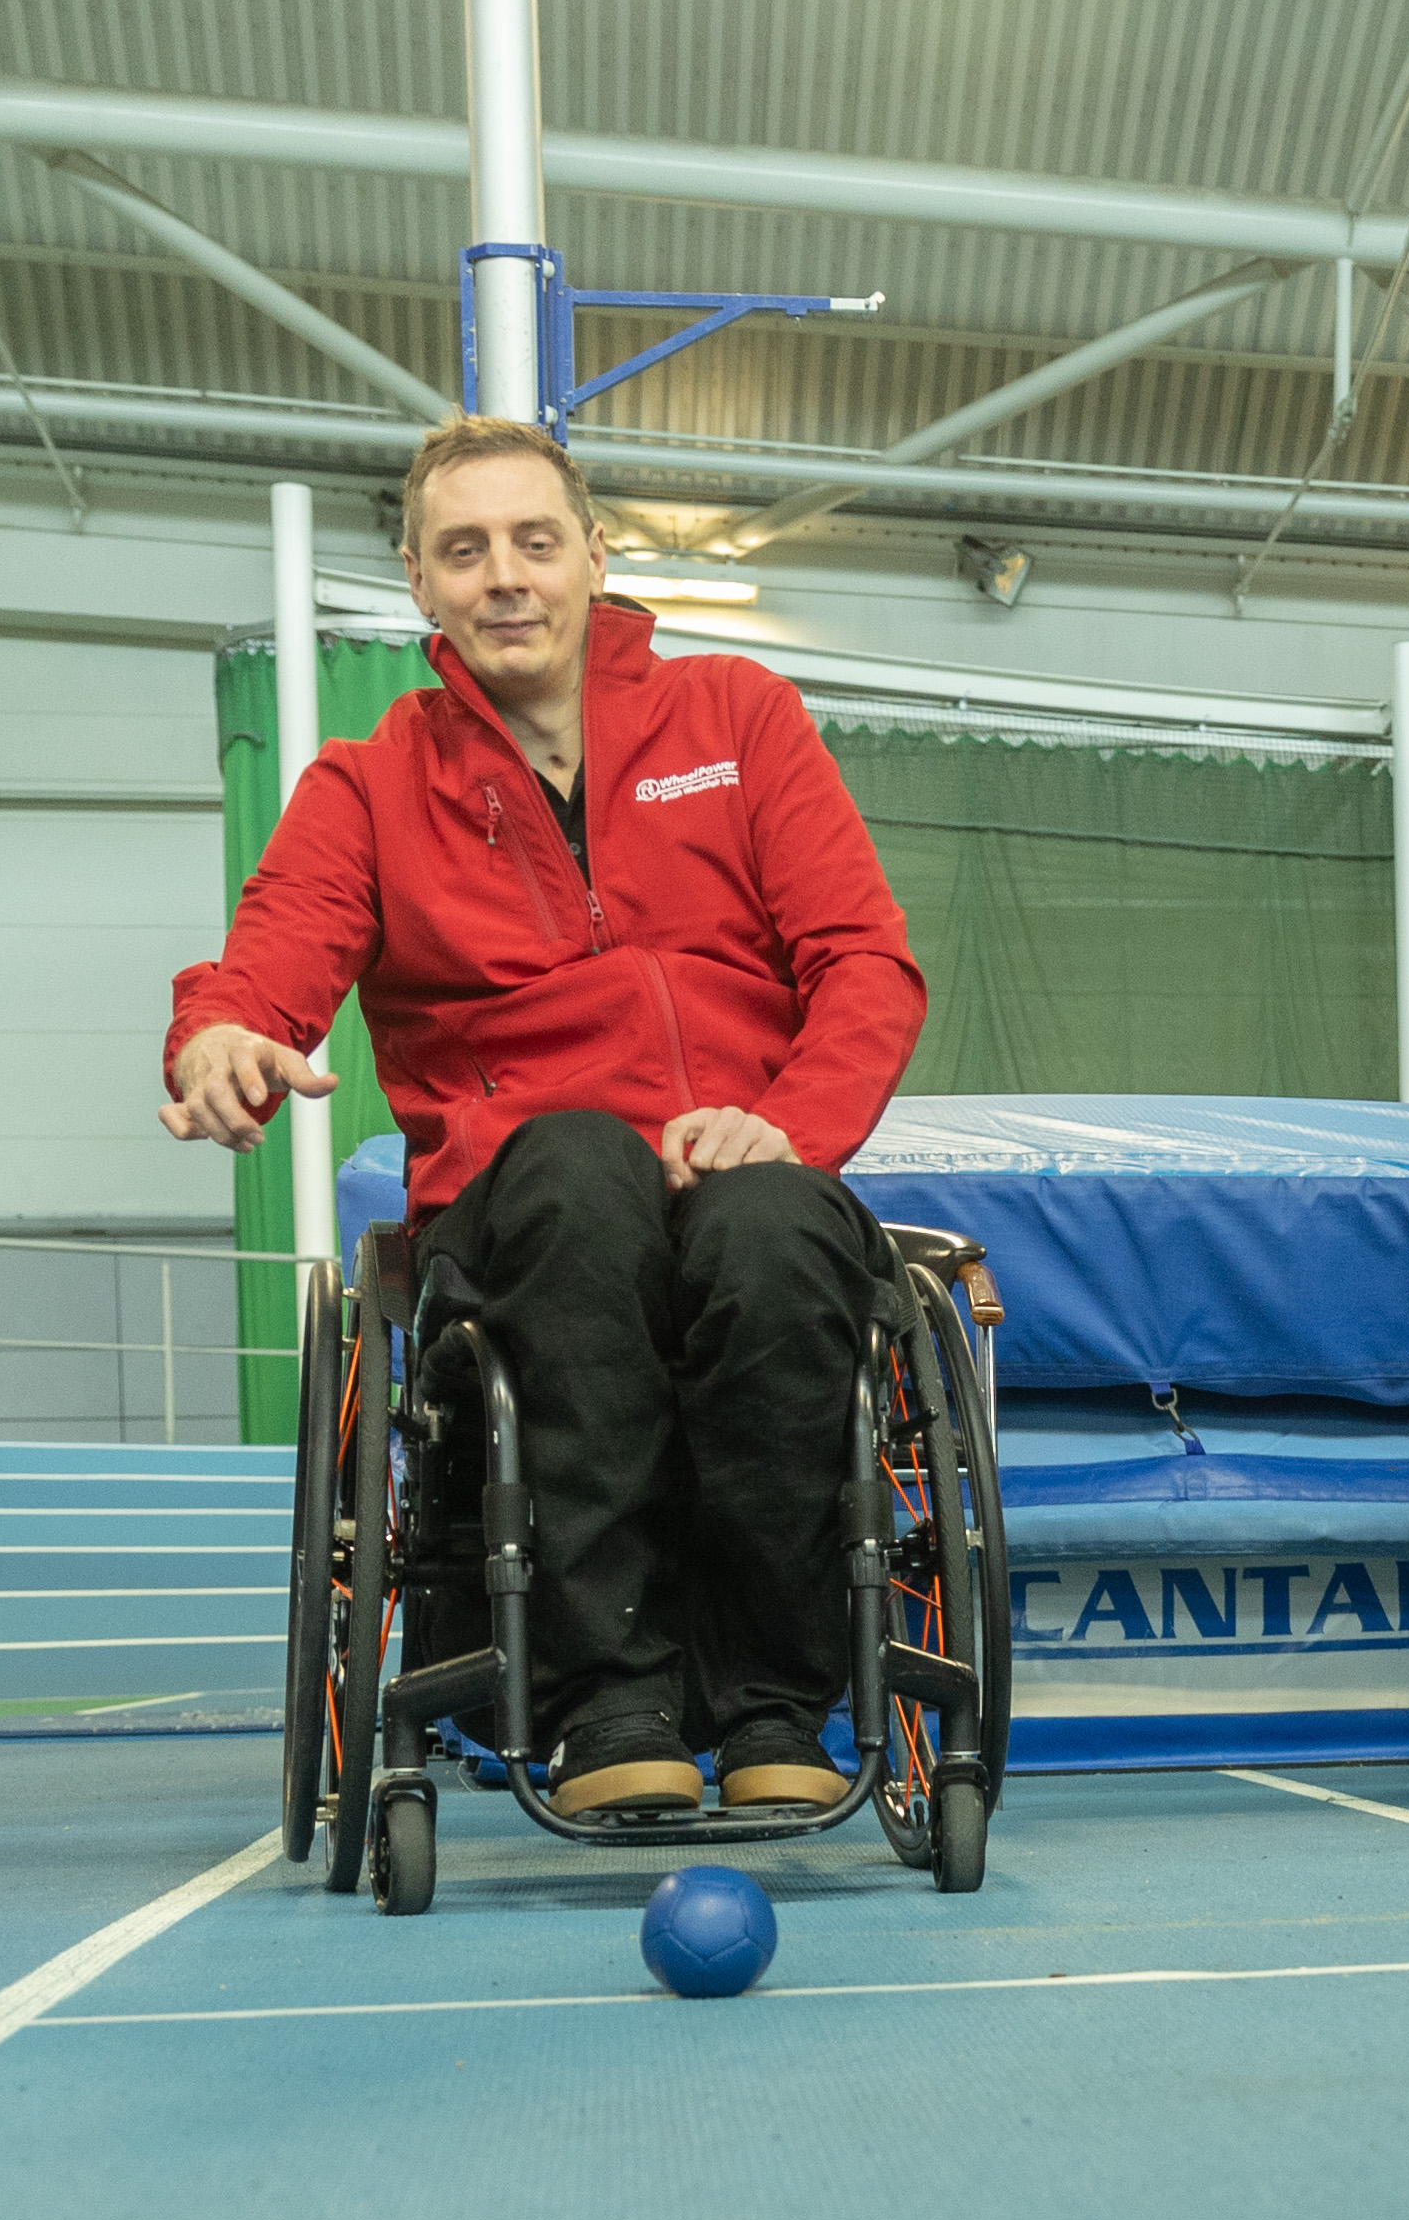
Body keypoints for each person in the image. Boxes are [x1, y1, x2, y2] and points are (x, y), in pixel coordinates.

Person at [165, 415, 924, 1825]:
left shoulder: (739, 720)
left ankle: (776, 1703)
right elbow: (273, 955)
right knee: (577, 1164)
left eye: (533, 541)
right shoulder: (366, 785)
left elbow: (864, 962)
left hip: (740, 1157)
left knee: (772, 1234)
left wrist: (791, 1123)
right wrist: (226, 1030)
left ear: (592, 557)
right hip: (529, 1201)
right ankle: (607, 1704)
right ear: (419, 583)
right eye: (466, 550)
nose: (504, 576)